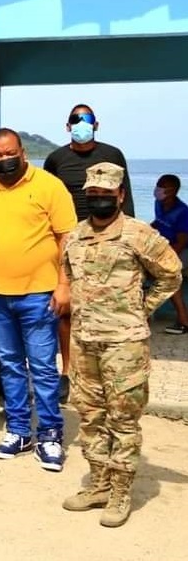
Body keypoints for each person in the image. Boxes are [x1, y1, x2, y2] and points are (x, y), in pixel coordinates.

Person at [62, 162, 181, 527]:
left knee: (123, 420)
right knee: (90, 415)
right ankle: (98, 483)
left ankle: (120, 492)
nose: (98, 200)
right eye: (92, 195)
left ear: (121, 196)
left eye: (106, 195)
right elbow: (68, 275)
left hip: (124, 345)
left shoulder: (138, 234)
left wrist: (140, 309)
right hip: (84, 342)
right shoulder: (75, 236)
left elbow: (171, 273)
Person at [0, 128, 77, 472]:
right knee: (10, 365)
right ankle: (18, 431)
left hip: (39, 293)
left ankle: (49, 434)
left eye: (9, 153)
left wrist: (64, 285)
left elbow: (67, 239)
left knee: (44, 368)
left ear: (23, 152)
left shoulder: (48, 185)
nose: (4, 160)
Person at [44, 104, 135, 402]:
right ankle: (68, 372)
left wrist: (128, 241)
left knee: (106, 309)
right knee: (67, 310)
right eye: (75, 120)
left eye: (87, 120)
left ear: (97, 124)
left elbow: (126, 197)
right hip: (71, 241)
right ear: (67, 125)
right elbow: (46, 201)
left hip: (108, 239)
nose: (81, 124)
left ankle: (106, 373)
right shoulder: (56, 159)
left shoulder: (113, 154)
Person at [151, 174, 188, 334]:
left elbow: (181, 242)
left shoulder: (183, 212)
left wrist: (162, 259)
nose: (158, 189)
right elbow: (157, 223)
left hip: (182, 250)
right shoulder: (158, 203)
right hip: (164, 247)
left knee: (169, 275)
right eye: (158, 185)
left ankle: (183, 320)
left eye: (162, 186)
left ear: (173, 191)